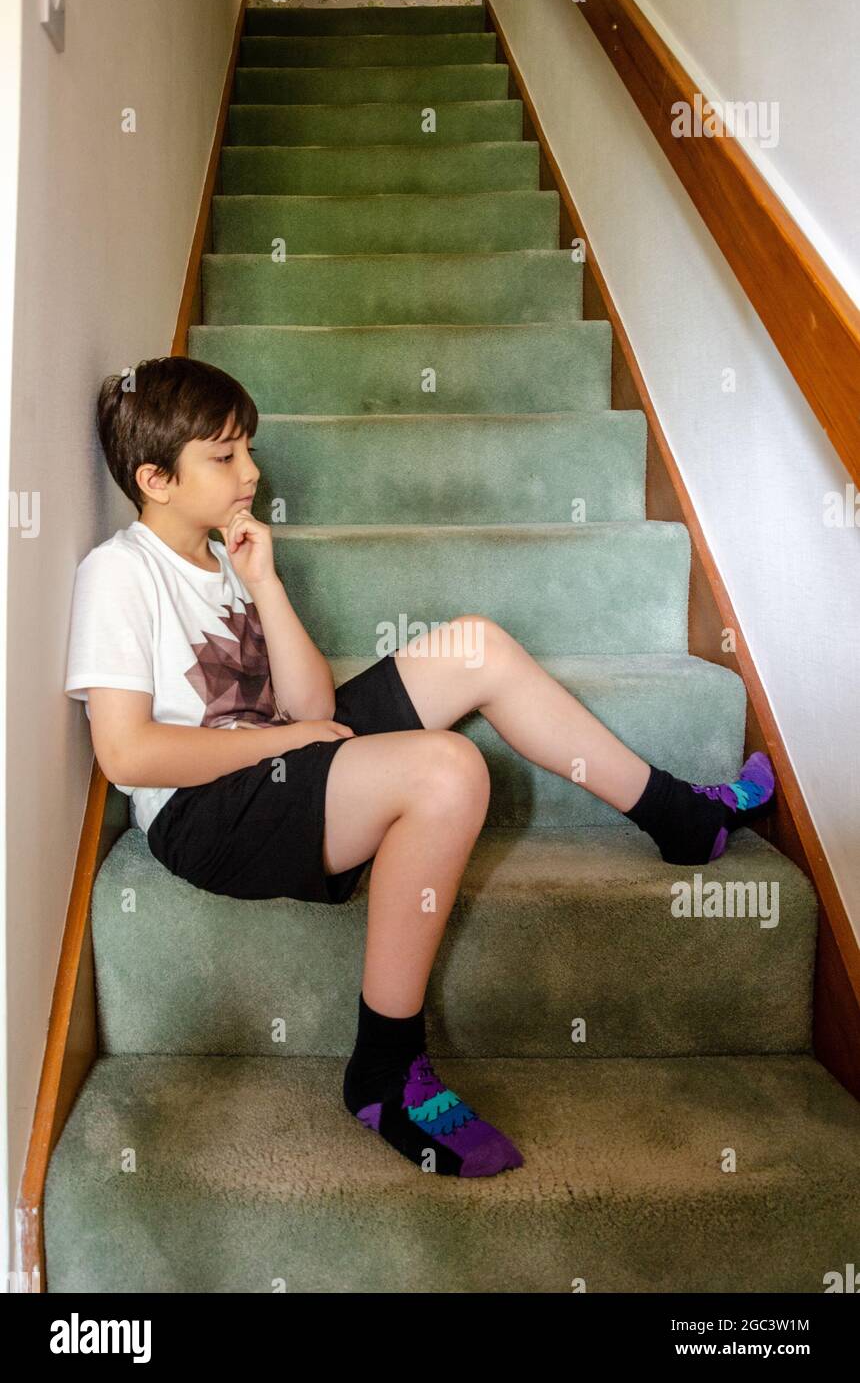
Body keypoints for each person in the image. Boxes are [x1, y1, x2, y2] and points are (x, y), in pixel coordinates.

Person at [64, 356, 776, 1180]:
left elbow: (308, 702)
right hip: (207, 814)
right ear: (155, 477)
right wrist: (280, 744)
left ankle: (675, 815)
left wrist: (264, 583)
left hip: (283, 761)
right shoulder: (118, 573)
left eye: (247, 448)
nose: (251, 471)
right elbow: (127, 752)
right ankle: (385, 1068)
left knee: (478, 644)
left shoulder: (227, 556)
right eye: (223, 457)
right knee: (449, 771)